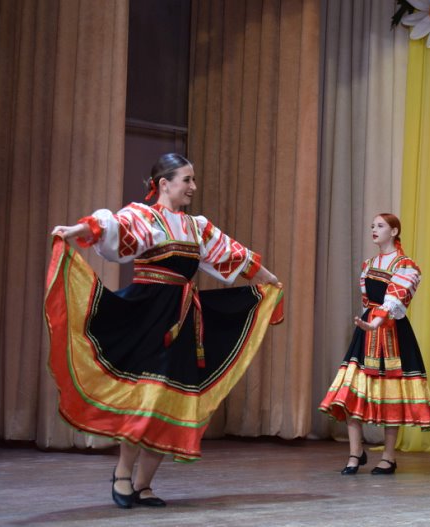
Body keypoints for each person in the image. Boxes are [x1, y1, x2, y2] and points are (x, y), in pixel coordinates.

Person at [45, 153, 283, 508]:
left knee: (170, 399)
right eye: (187, 179)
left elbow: (234, 255)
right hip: (146, 316)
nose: (193, 186)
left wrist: (271, 281)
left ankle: (143, 483)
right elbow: (111, 227)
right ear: (164, 184)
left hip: (183, 319)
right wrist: (75, 231)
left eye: (193, 179)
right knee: (146, 399)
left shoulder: (197, 227)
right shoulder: (146, 217)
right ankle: (123, 473)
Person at [318, 213, 430, 475]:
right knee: (351, 390)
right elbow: (367, 300)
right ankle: (355, 453)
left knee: (390, 393)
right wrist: (368, 324)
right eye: (372, 225)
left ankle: (388, 457)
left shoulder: (406, 265)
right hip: (368, 330)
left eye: (380, 226)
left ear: (394, 232)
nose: (374, 229)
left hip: (392, 331)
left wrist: (376, 322)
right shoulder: (368, 264)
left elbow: (396, 298)